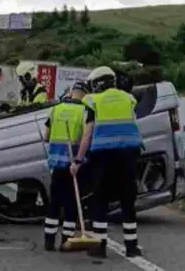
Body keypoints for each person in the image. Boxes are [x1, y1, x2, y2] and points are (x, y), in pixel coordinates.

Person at [71, 66, 142, 258]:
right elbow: (135, 125)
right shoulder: (128, 99)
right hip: (127, 156)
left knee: (100, 200)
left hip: (103, 158)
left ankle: (100, 247)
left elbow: (88, 133)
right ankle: (132, 246)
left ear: (97, 84)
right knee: (128, 201)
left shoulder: (93, 101)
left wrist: (78, 160)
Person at [42, 81, 94, 252]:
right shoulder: (85, 111)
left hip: (56, 163)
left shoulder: (56, 109)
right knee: (71, 203)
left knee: (54, 203)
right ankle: (67, 241)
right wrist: (78, 160)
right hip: (73, 166)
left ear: (72, 92)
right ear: (85, 94)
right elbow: (86, 137)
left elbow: (46, 136)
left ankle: (49, 241)